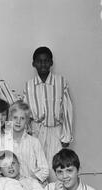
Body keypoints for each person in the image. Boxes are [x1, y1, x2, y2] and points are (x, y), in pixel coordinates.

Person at [23, 46, 73, 181]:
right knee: (37, 168)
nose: (43, 64)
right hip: (36, 131)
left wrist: (66, 136)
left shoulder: (60, 81)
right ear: (34, 64)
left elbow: (67, 109)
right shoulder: (29, 85)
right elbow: (26, 112)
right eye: (39, 61)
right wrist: (26, 134)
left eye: (46, 61)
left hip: (55, 131)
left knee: (56, 168)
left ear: (51, 63)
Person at [9, 100, 49, 184]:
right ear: (9, 119)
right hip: (11, 186)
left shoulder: (34, 142)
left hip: (32, 184)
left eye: (22, 118)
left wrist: (32, 180)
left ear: (27, 121)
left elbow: (45, 170)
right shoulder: (3, 142)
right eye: (15, 118)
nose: (18, 122)